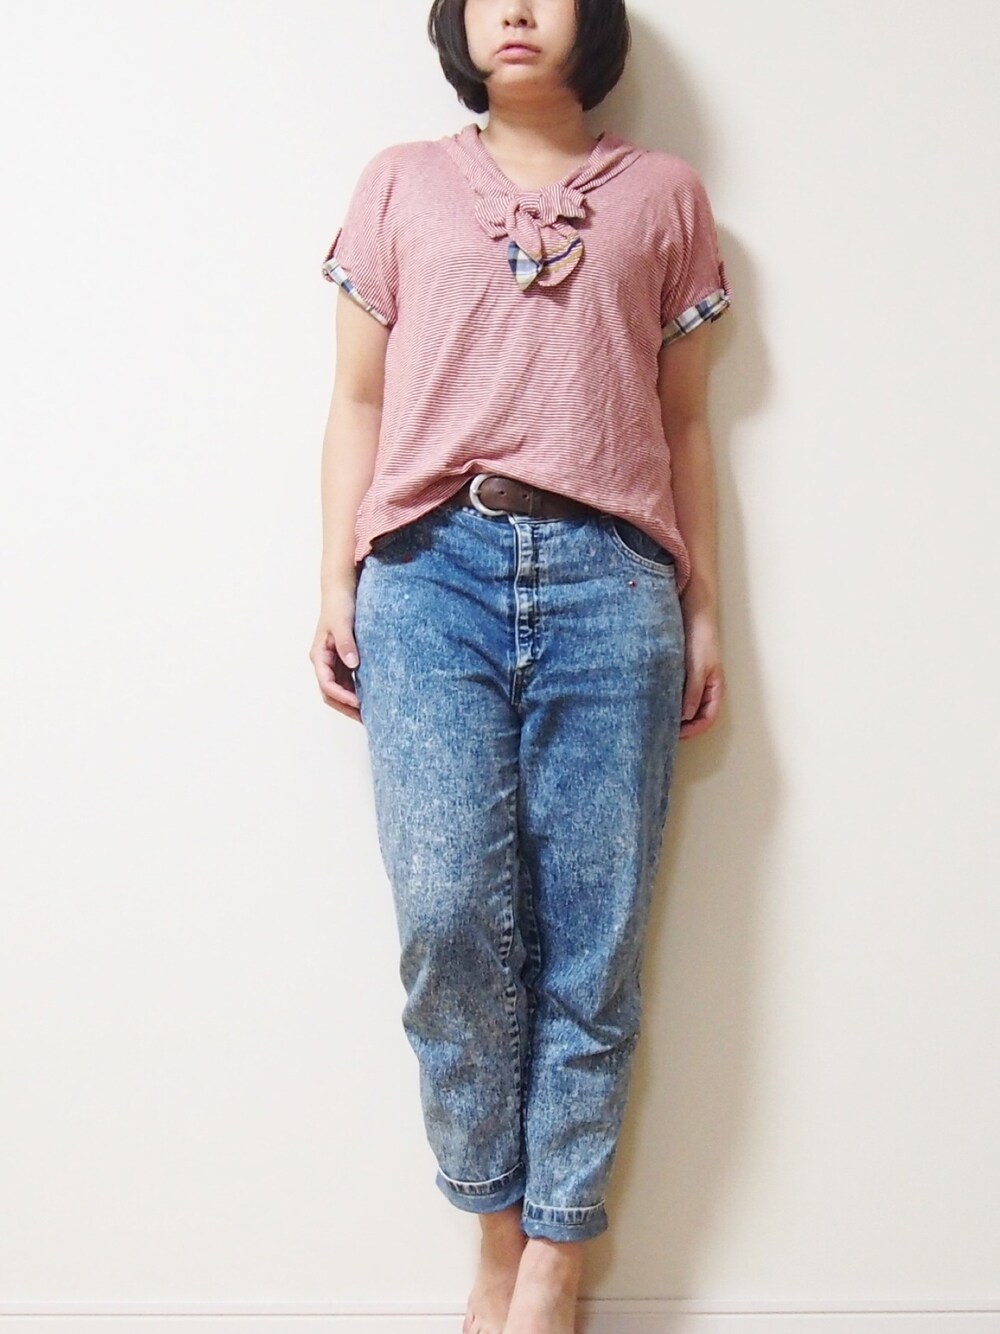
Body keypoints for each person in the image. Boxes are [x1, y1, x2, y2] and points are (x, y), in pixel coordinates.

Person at [309, 2, 732, 1330]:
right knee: (450, 921)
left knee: (593, 940)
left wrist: (705, 609)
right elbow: (358, 398)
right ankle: (494, 1225)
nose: (514, 8)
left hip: (614, 580)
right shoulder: (399, 183)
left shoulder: (664, 197)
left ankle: (554, 1261)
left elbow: (687, 423)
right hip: (428, 577)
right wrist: (333, 575)